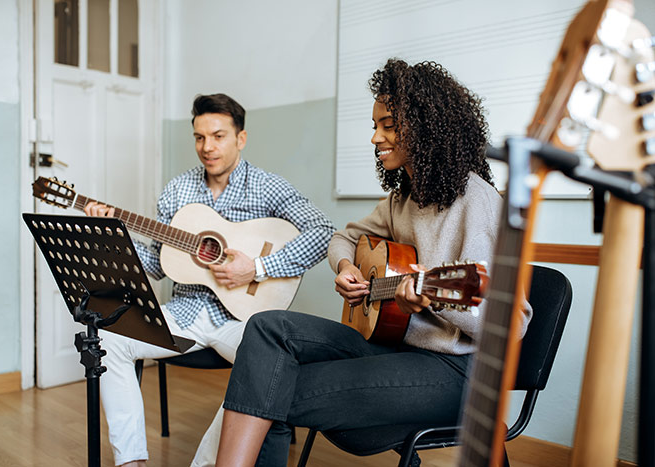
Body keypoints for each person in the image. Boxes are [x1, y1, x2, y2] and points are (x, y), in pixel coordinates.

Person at [213, 59, 533, 466]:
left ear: (426, 126)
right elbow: (342, 237)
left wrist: (435, 299)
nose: (374, 138)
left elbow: (514, 324)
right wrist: (346, 267)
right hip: (395, 350)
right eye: (374, 125)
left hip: (456, 373)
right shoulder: (403, 199)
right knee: (267, 327)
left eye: (388, 125)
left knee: (268, 392)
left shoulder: (477, 203)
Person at [83, 93, 335, 467]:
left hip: (245, 321)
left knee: (262, 368)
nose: (207, 147)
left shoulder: (267, 187)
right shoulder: (176, 191)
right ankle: (131, 460)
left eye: (218, 136)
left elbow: (323, 231)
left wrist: (259, 269)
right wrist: (114, 237)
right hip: (185, 314)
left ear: (241, 138)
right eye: (200, 137)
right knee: (107, 337)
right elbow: (156, 264)